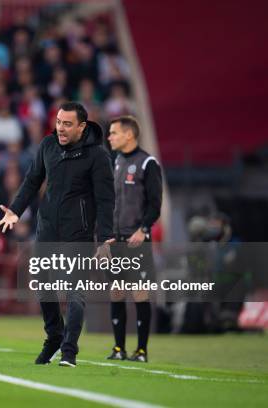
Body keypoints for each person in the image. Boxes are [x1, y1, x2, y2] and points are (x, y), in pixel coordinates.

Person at [0, 102, 115, 367]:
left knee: (75, 293)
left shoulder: (97, 156)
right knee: (42, 286)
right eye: (58, 122)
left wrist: (106, 238)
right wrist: (15, 209)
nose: (60, 128)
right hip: (47, 229)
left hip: (78, 234)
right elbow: (32, 180)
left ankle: (69, 351)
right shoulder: (48, 146)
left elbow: (106, 200)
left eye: (67, 124)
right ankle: (54, 337)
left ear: (82, 127)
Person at [106, 115, 162, 363]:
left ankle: (141, 350)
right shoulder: (117, 161)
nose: (109, 137)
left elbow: (155, 204)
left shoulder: (148, 163)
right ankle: (119, 348)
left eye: (114, 133)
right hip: (116, 240)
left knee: (140, 294)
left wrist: (144, 229)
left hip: (136, 240)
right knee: (116, 292)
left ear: (129, 135)